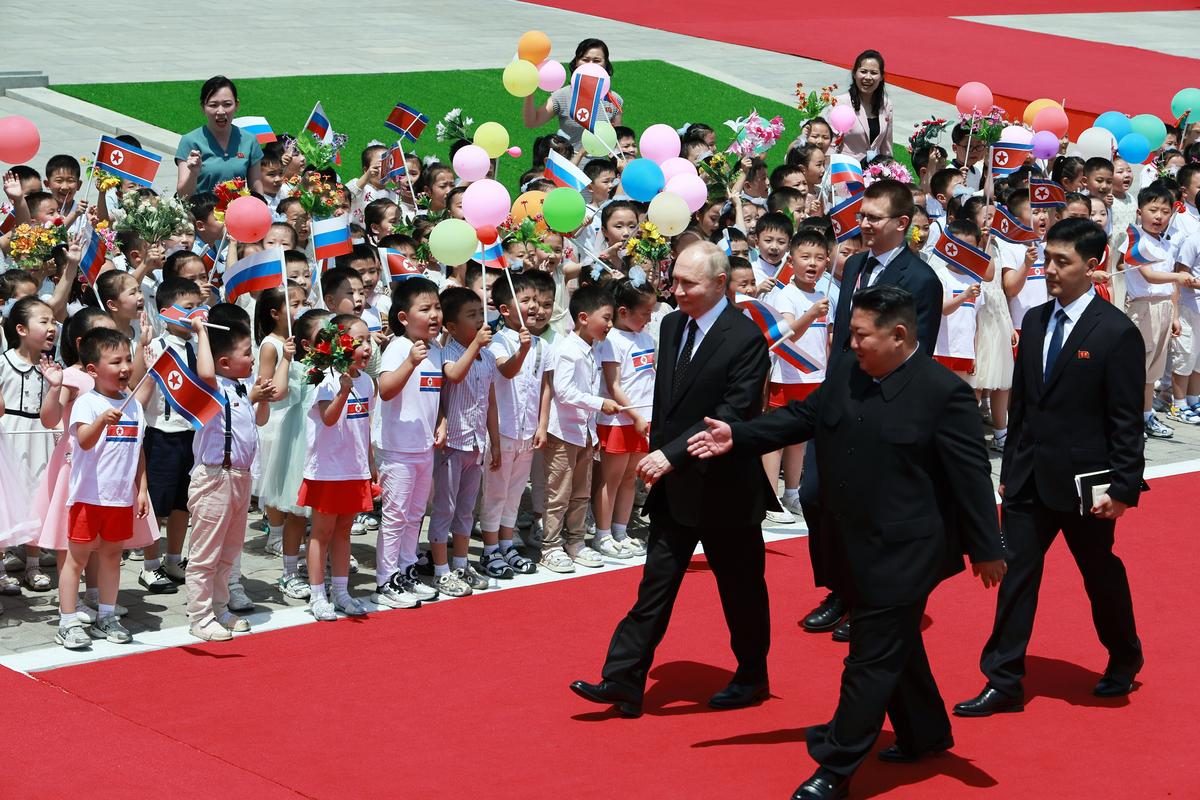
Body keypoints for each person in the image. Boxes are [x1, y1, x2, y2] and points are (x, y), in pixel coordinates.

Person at [687, 284, 1005, 800]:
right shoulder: (848, 374)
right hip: (848, 543)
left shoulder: (942, 393)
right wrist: (738, 437)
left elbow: (970, 477)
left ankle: (834, 768)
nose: (850, 343)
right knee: (897, 646)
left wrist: (987, 548)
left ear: (898, 335)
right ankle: (927, 732)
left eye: (860, 335)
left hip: (906, 552)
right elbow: (802, 418)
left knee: (869, 656)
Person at [570, 242, 775, 718]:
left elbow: (734, 414)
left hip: (727, 486)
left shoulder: (745, 338)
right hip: (674, 484)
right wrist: (658, 452)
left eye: (689, 284)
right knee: (655, 585)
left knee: (740, 588)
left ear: (720, 284)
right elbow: (669, 400)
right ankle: (623, 679)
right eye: (675, 281)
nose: (676, 292)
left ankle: (751, 675)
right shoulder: (672, 324)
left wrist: (671, 454)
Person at [956, 218, 1147, 717]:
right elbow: (1023, 405)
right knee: (1016, 575)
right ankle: (1003, 679)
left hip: (1087, 486)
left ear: (1093, 264)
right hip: (1026, 478)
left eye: (1062, 261)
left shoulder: (1116, 333)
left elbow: (1125, 420)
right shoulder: (1037, 319)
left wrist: (1123, 487)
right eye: (1047, 258)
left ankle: (1124, 656)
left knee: (1098, 574)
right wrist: (1010, 464)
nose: (1051, 269)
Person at [57, 328, 153, 650]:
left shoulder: (134, 406)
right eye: (116, 361)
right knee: (77, 558)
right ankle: (68, 620)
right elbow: (83, 441)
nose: (126, 367)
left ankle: (107, 616)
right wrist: (101, 421)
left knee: (113, 556)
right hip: (87, 498)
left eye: (128, 359)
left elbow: (138, 450)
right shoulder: (87, 403)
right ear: (93, 370)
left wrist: (141, 489)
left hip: (119, 499)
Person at [185, 320, 275, 641]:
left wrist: (258, 396)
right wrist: (202, 332)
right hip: (214, 478)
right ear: (224, 362)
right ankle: (199, 615)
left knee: (229, 551)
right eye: (247, 353)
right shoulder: (210, 387)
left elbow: (256, 420)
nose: (252, 359)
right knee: (205, 553)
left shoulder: (240, 388)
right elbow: (207, 373)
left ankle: (220, 608)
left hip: (240, 478)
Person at [299, 314, 375, 621]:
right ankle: (318, 594)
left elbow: (366, 428)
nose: (367, 347)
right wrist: (343, 390)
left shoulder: (368, 381)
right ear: (341, 345)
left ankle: (341, 592)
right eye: (359, 341)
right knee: (322, 532)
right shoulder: (324, 379)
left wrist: (370, 465)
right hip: (328, 471)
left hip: (355, 470)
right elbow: (329, 419)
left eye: (369, 339)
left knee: (344, 532)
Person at [540, 284, 620, 574]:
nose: (610, 325)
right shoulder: (566, 349)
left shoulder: (592, 349)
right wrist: (600, 404)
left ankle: (574, 542)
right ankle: (550, 546)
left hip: (584, 431)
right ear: (584, 317)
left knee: (580, 492)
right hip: (563, 433)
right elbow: (564, 391)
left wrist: (594, 428)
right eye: (606, 318)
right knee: (558, 492)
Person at [480, 274, 544, 576]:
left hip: (526, 433)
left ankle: (507, 543)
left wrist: (541, 425)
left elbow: (543, 387)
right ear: (505, 310)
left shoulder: (539, 343)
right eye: (526, 301)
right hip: (503, 432)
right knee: (496, 492)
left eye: (536, 300)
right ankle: (490, 548)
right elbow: (506, 371)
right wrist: (522, 350)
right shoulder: (497, 340)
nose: (533, 306)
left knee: (515, 492)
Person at [522, 39, 624, 155]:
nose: (590, 65)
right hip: (567, 167)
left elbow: (617, 140)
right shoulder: (563, 95)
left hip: (598, 170)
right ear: (576, 62)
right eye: (585, 60)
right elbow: (532, 122)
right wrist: (529, 91)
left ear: (605, 64)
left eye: (597, 61)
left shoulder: (614, 99)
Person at [175, 76, 263, 196]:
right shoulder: (190, 141)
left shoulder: (249, 140)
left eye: (227, 104)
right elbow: (183, 195)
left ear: (236, 105)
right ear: (203, 107)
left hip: (237, 213)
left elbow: (257, 191)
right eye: (213, 105)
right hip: (202, 213)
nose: (221, 111)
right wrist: (193, 174)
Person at [834, 50, 894, 162]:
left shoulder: (886, 105)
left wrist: (891, 168)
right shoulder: (840, 103)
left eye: (874, 73)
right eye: (863, 71)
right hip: (847, 170)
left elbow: (886, 146)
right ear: (854, 73)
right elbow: (831, 143)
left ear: (881, 77)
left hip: (875, 172)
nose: (868, 77)